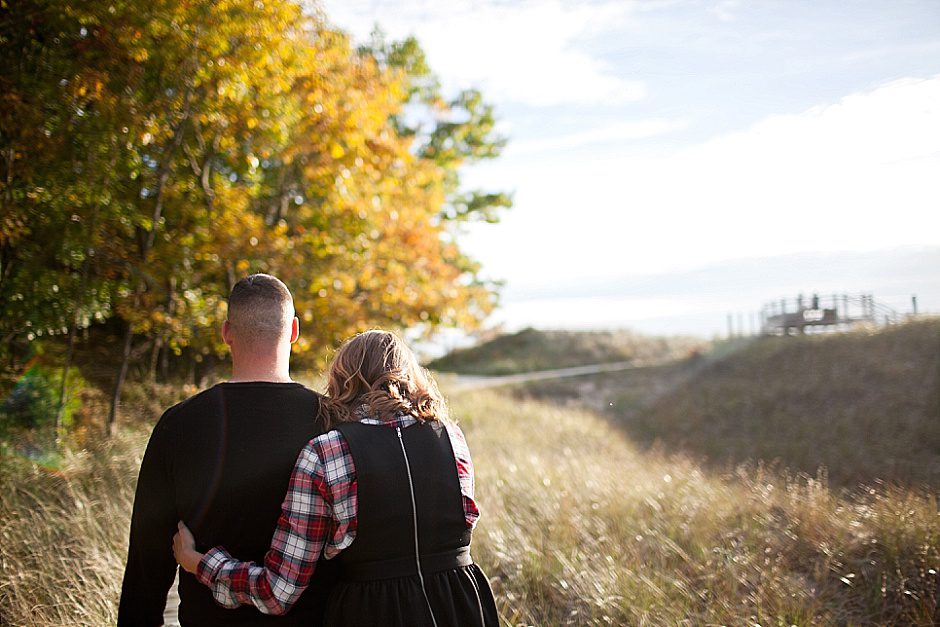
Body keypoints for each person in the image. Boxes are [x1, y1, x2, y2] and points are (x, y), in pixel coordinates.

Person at [173, 329, 500, 626]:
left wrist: (201, 563)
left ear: (342, 380)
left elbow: (279, 591)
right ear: (411, 377)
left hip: (373, 613)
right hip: (462, 603)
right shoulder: (450, 436)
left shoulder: (327, 452)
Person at [118, 274, 338, 626]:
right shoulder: (333, 422)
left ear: (226, 333)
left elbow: (147, 556)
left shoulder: (178, 424)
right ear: (294, 331)